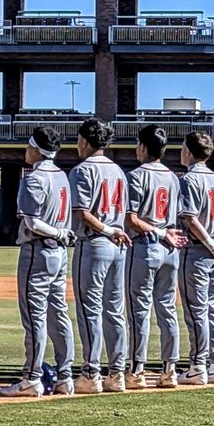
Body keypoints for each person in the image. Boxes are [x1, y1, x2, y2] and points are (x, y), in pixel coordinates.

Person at [1, 126, 76, 397]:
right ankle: (65, 375)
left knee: (35, 317)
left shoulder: (33, 179)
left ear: (36, 149)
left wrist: (56, 232)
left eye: (28, 146)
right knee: (59, 313)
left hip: (38, 251)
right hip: (59, 253)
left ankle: (31, 376)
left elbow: (32, 222)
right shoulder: (63, 176)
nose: (25, 151)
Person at [69, 117, 132, 393]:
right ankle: (117, 372)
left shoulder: (82, 170)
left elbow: (82, 213)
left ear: (84, 141)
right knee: (114, 310)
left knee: (89, 309)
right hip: (119, 243)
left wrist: (106, 230)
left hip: (96, 242)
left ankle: (91, 373)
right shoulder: (118, 170)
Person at [124, 125, 187, 389]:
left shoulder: (136, 175)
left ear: (142, 147)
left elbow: (132, 219)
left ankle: (137, 370)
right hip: (170, 249)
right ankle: (169, 369)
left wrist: (159, 232)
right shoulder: (173, 177)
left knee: (139, 311)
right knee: (167, 309)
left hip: (147, 246)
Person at [176, 131, 214, 386]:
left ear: (189, 151)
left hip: (199, 248)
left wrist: (208, 243)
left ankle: (198, 364)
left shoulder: (189, 179)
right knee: (211, 308)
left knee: (196, 310)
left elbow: (190, 217)